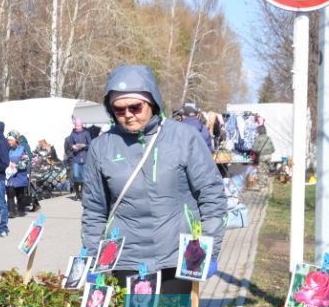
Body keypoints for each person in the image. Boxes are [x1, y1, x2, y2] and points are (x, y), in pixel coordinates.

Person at [81, 64, 225, 295]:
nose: (128, 115)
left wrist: (209, 248)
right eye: (119, 110)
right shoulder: (101, 148)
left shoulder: (184, 138)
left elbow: (212, 196)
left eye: (135, 107)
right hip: (126, 258)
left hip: (178, 255)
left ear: (152, 102)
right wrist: (90, 255)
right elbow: (94, 209)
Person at [64, 118, 91, 201]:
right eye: (76, 125)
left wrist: (84, 146)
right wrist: (73, 147)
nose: (77, 127)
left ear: (81, 125)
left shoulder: (86, 133)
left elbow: (91, 145)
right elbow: (70, 146)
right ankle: (77, 193)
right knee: (75, 176)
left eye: (78, 125)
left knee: (83, 177)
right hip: (76, 158)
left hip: (84, 157)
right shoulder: (72, 134)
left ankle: (82, 194)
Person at [5, 130, 30, 216]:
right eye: (8, 140)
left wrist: (17, 165)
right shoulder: (7, 150)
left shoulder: (22, 149)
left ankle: (21, 210)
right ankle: (11, 211)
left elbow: (26, 161)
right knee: (10, 192)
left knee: (20, 194)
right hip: (10, 176)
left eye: (11, 140)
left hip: (20, 175)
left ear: (16, 140)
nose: (9, 142)